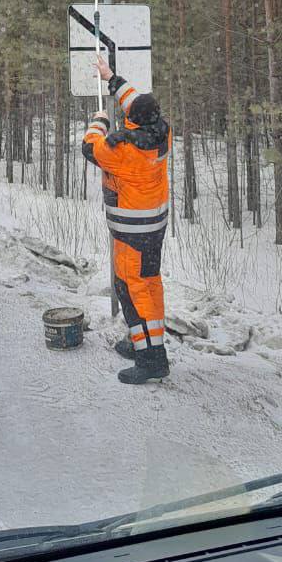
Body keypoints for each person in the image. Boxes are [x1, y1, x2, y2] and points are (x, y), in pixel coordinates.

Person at [82, 55, 171, 385]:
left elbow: (89, 148)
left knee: (131, 288)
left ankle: (150, 359)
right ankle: (145, 342)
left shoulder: (122, 151)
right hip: (154, 227)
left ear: (132, 120)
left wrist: (99, 122)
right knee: (149, 284)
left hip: (131, 232)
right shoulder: (162, 132)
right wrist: (111, 78)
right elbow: (138, 103)